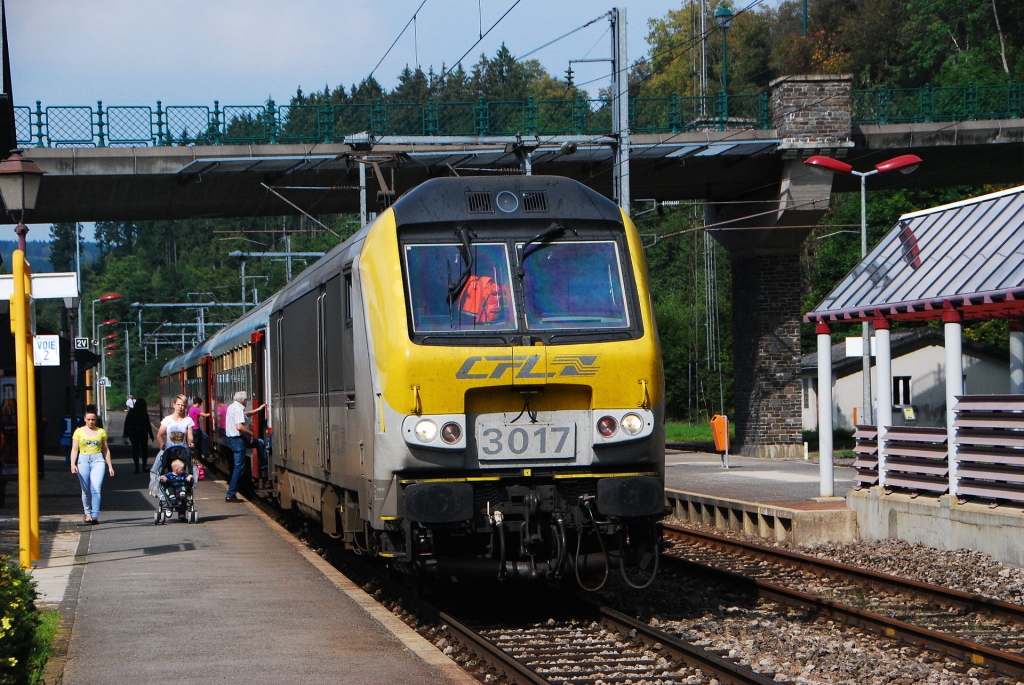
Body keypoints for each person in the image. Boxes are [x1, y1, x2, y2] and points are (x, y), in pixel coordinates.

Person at [70, 409, 114, 524]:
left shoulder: (101, 432)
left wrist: (110, 466)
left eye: (93, 419)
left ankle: (95, 515)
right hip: (83, 460)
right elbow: (74, 449)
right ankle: (87, 513)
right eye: (89, 419)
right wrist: (72, 463)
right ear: (85, 419)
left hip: (98, 460)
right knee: (85, 490)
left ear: (96, 420)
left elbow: (106, 450)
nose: (91, 422)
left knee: (96, 488)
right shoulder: (78, 432)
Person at [224, 391, 266, 503]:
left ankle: (264, 467)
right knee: (239, 468)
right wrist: (251, 433)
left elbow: (244, 414)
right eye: (247, 399)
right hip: (238, 440)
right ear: (243, 400)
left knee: (259, 443)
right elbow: (239, 427)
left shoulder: (232, 406)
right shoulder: (238, 409)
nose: (247, 401)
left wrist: (257, 410)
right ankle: (230, 494)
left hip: (234, 440)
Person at [124, 398, 155, 473]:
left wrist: (125, 433)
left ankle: (137, 467)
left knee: (135, 450)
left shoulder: (131, 412)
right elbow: (148, 425)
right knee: (144, 450)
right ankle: (144, 466)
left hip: (133, 434)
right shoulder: (144, 413)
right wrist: (151, 435)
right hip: (143, 433)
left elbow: (126, 423)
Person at [159, 457, 194, 521]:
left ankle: (182, 501)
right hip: (172, 488)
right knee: (169, 489)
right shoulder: (170, 475)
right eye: (182, 469)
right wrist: (163, 477)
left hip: (180, 488)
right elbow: (162, 476)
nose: (184, 470)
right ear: (176, 470)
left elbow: (189, 475)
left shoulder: (184, 474)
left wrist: (190, 476)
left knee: (183, 488)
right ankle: (171, 503)